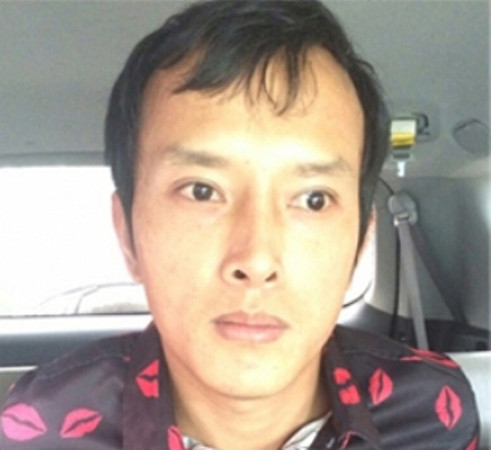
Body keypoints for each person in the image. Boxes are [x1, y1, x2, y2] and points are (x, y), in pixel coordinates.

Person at [0, 1, 479, 449]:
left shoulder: (430, 411)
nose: (256, 260)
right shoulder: (42, 428)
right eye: (201, 190)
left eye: (313, 199)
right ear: (127, 236)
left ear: (360, 244)